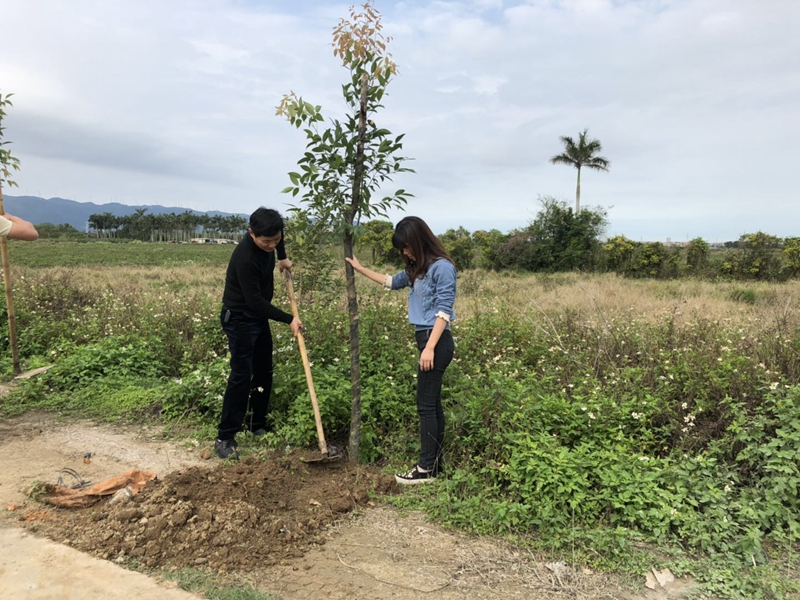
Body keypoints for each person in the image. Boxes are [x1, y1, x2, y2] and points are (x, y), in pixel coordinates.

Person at [346, 216, 456, 485]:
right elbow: (390, 282)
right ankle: (434, 465)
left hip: (435, 341)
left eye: (407, 247)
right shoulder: (418, 269)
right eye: (403, 249)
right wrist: (359, 268)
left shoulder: (442, 267)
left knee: (425, 406)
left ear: (419, 240)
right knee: (432, 404)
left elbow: (444, 310)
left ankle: (425, 469)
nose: (405, 252)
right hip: (427, 340)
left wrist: (429, 348)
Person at [215, 207, 303, 460]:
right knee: (241, 376)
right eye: (267, 242)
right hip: (240, 318)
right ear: (252, 233)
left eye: (276, 240)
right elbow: (254, 302)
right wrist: (289, 319)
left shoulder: (272, 237)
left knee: (264, 370)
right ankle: (225, 437)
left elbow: (278, 238)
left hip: (258, 317)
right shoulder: (245, 257)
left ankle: (256, 424)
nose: (271, 245)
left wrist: (282, 256)